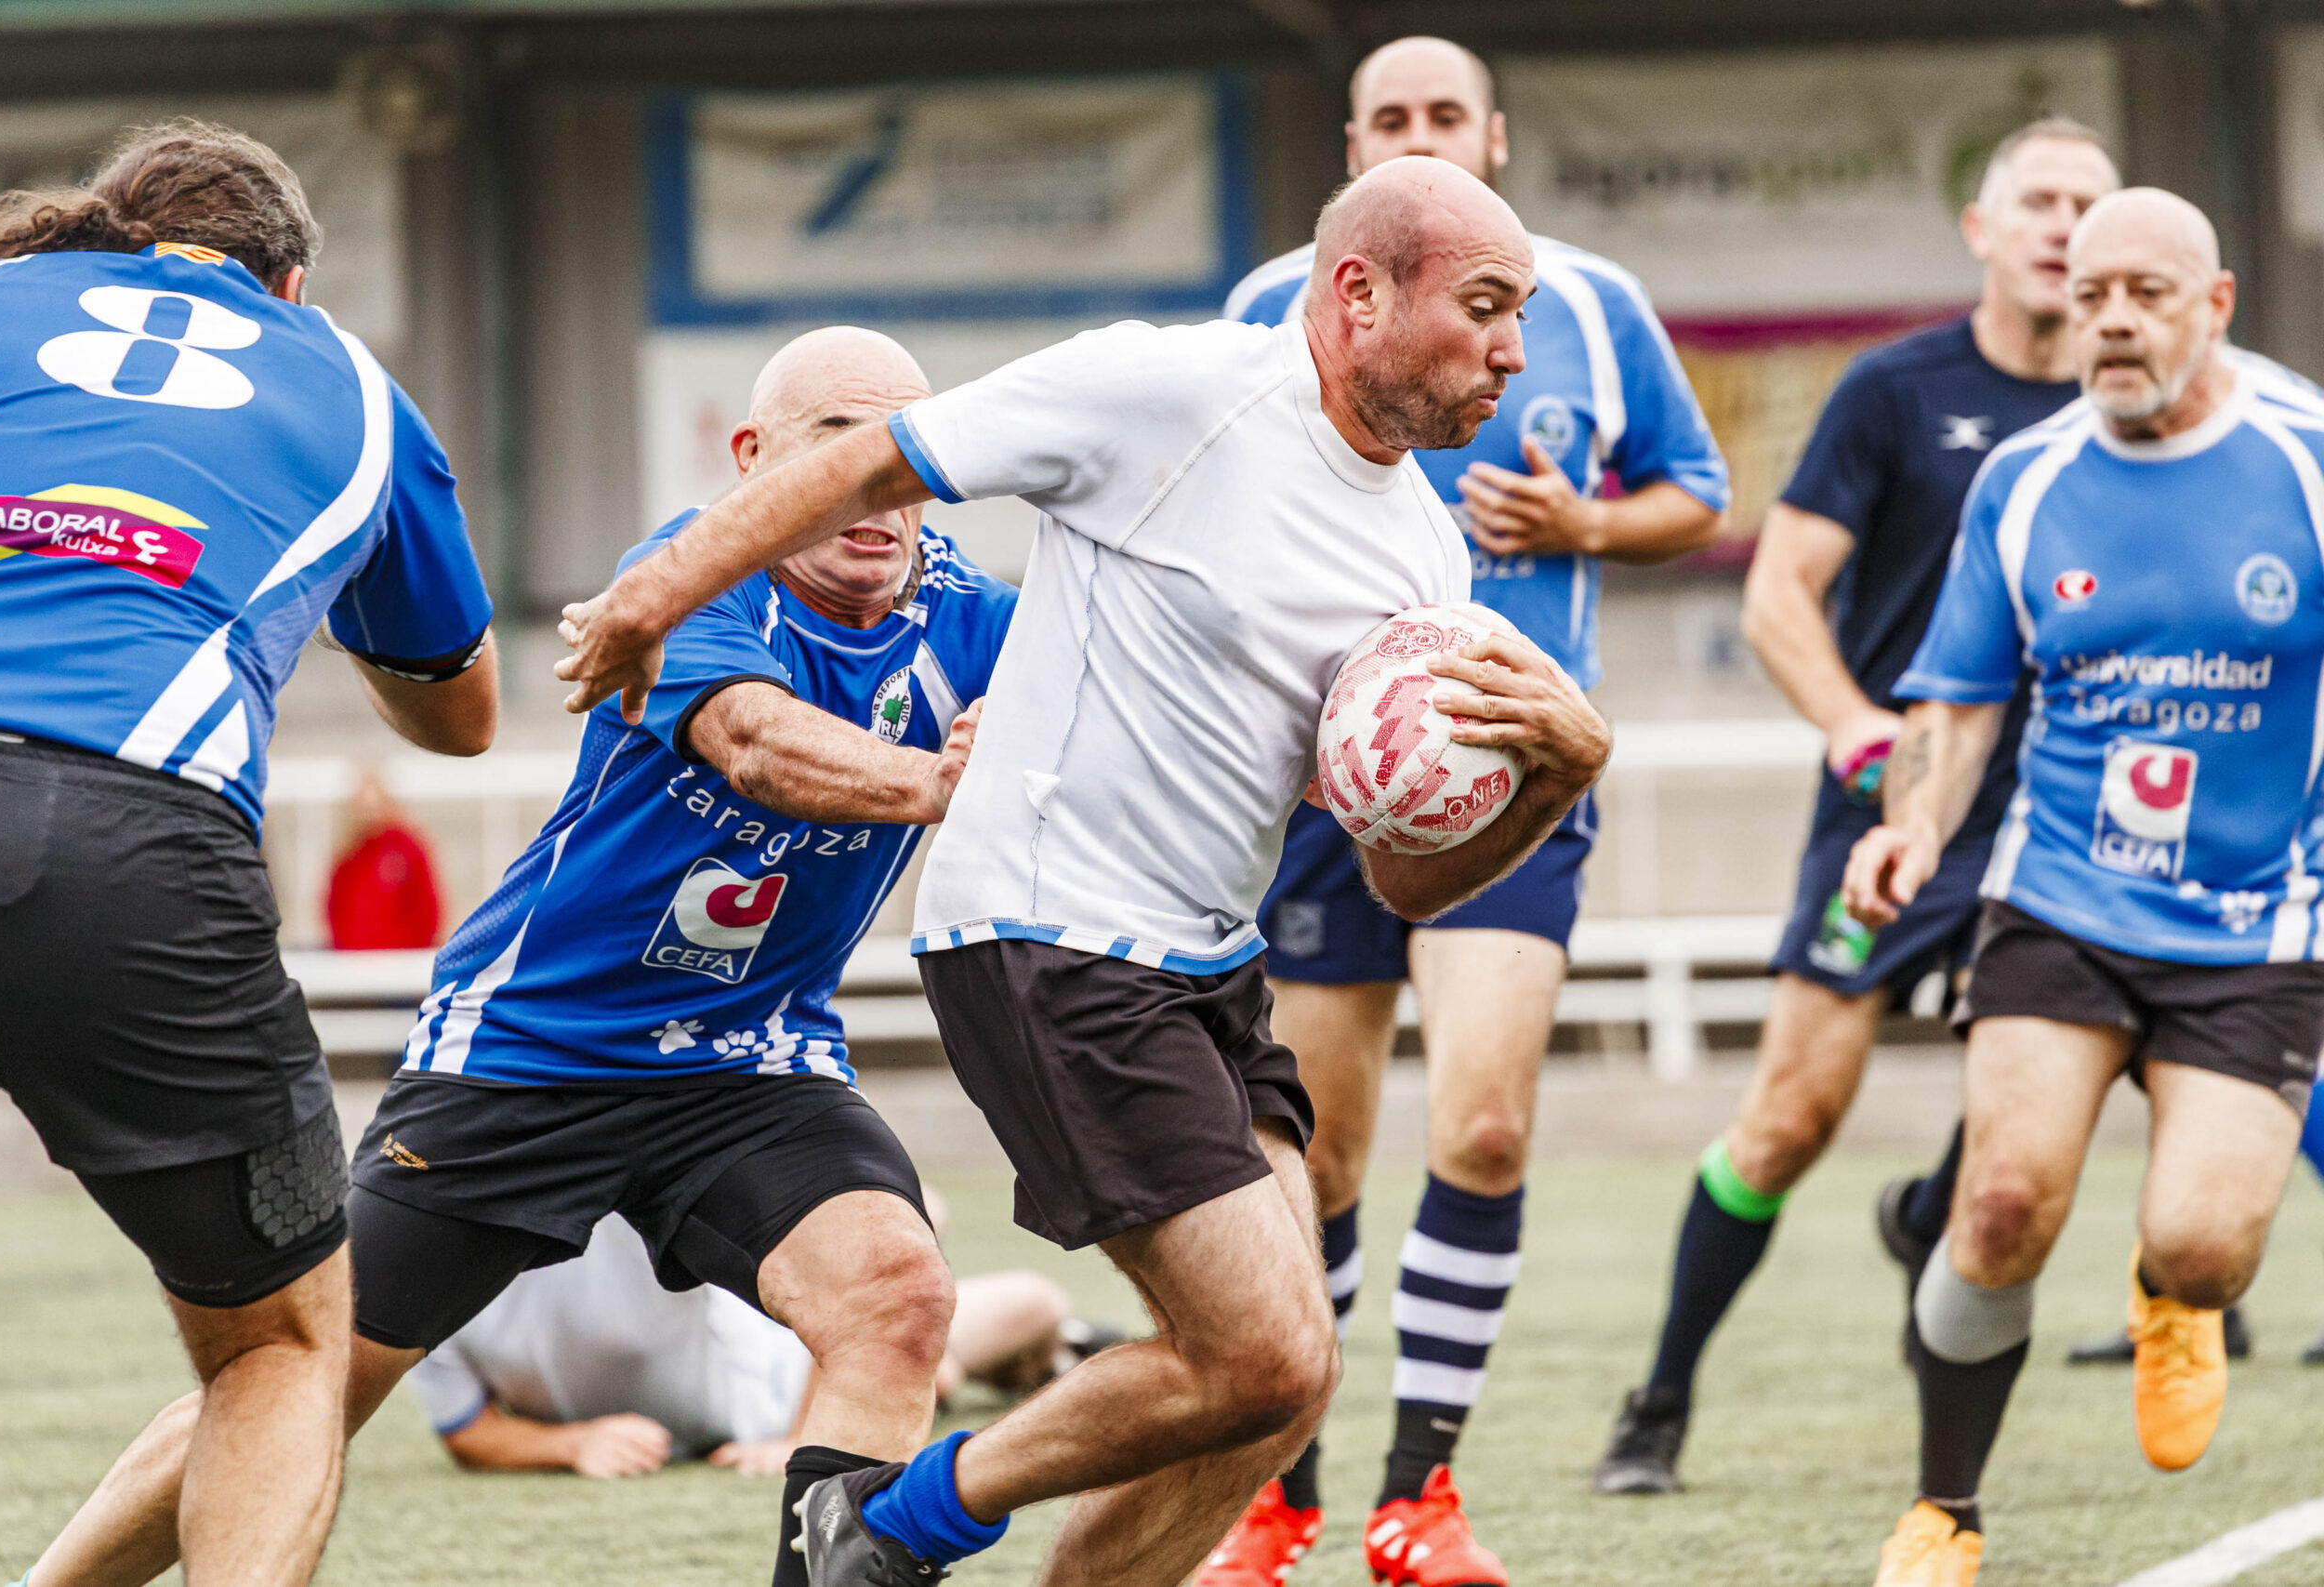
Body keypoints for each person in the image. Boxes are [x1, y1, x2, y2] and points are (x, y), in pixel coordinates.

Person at [555, 157, 1614, 1587]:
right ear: (1359, 294)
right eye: (1487, 306)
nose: (1512, 351)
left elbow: (1404, 884)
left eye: (1522, 315)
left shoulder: (1426, 550)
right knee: (1263, 1347)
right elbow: (873, 460)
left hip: (1210, 969)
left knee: (1277, 1388)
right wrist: (652, 596)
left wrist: (1554, 775)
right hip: (1051, 937)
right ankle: (894, 1516)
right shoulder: (1170, 392)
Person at [20, 325, 1012, 1587]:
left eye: (904, 445)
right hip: (531, 1053)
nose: (880, 481)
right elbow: (756, 743)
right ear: (755, 460)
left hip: (750, 1066)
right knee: (305, 1381)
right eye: (838, 443)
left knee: (899, 1292)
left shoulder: (979, 618)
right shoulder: (686, 576)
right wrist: (943, 778)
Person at [0, 122, 498, 1587]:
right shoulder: (354, 387)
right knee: (280, 1342)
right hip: (136, 846)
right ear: (294, 281)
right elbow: (461, 711)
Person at [1208, 38, 1725, 1579]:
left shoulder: (1593, 304)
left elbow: (1696, 496)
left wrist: (1585, 522)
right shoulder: (1266, 309)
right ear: (1352, 141)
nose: (1419, 134)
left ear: (1491, 136)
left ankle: (1419, 1498)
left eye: (1445, 114)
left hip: (1510, 765)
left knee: (1488, 1126)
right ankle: (1281, 1492)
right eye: (1391, 118)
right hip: (1318, 779)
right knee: (1321, 1153)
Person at [1591, 119, 2126, 1496]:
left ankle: (1932, 1214)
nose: (2065, 226)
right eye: (2040, 202)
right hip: (1902, 809)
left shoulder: (2141, 411)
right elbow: (1780, 591)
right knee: (1788, 1117)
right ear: (1983, 231)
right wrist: (1854, 727)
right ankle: (1657, 1401)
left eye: (2090, 204)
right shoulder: (1897, 389)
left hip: (2067, 821)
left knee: (2051, 1098)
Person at [1847, 187, 2324, 1587]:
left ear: (2215, 305)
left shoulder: (2305, 465)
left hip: (2259, 925)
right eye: (2091, 295)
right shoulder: (2027, 481)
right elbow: (1953, 699)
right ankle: (1945, 1508)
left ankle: (2177, 1291)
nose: (2111, 320)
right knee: (1999, 1200)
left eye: (2147, 294)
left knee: (2205, 1242)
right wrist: (1912, 825)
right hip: (2062, 899)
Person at [405, 1199, 1111, 1480]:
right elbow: (465, 1428)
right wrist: (572, 1442)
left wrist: (805, 1433)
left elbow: (848, 1253)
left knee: (1032, 1298)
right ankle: (1009, 1362)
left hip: (786, 1356)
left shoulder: (607, 1195)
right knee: (942, 1369)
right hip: (747, 1394)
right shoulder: (424, 1263)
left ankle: (1053, 1346)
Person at [324, 770, 444, 950]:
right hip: (355, 962)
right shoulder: (347, 852)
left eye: (373, 807)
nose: (368, 815)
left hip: (401, 960)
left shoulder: (407, 848)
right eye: (363, 808)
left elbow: (427, 908)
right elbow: (335, 907)